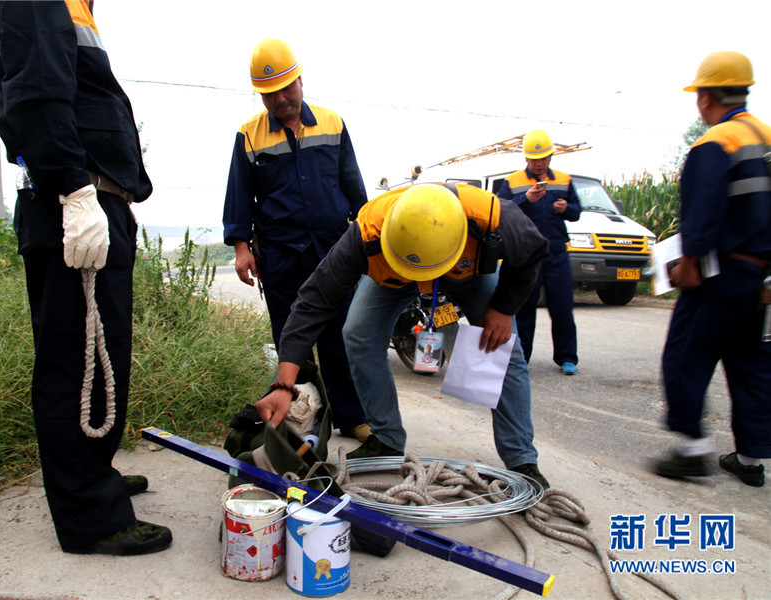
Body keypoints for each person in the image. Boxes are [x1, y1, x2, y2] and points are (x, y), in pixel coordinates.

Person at [0, 0, 173, 553]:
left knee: (100, 360)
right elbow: (38, 86)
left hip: (90, 196)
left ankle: (90, 475)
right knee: (76, 363)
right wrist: (75, 188)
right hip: (72, 198)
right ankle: (90, 515)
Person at [255, 183, 552, 488]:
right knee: (358, 334)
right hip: (393, 275)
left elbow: (532, 251)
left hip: (465, 273)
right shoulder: (365, 235)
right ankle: (386, 440)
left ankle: (521, 459)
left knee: (500, 346)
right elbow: (313, 302)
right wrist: (285, 385)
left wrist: (503, 308)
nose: (423, 281)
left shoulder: (491, 217)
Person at [222, 38, 370, 441]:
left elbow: (353, 187)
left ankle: (351, 416)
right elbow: (239, 195)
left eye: (286, 88)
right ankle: (305, 422)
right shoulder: (249, 135)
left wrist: (367, 238)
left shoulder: (333, 124)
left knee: (340, 337)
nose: (280, 99)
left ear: (300, 80)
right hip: (281, 257)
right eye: (269, 94)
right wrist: (241, 248)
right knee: (292, 341)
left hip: (334, 252)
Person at [652, 51, 771, 487]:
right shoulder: (766, 137)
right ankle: (750, 459)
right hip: (759, 276)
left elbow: (703, 207)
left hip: (719, 273)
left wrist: (689, 262)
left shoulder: (716, 141)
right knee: (749, 361)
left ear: (705, 97)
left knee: (686, 353)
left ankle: (692, 450)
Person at [497, 130, 581, 375]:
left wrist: (566, 208)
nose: (539, 163)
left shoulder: (564, 180)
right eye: (534, 159)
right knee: (523, 309)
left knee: (562, 308)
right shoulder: (513, 182)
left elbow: (577, 212)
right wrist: (525, 198)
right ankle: (521, 358)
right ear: (526, 158)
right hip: (524, 254)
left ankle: (567, 358)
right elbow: (500, 210)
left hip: (557, 254)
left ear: (551, 157)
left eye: (543, 158)